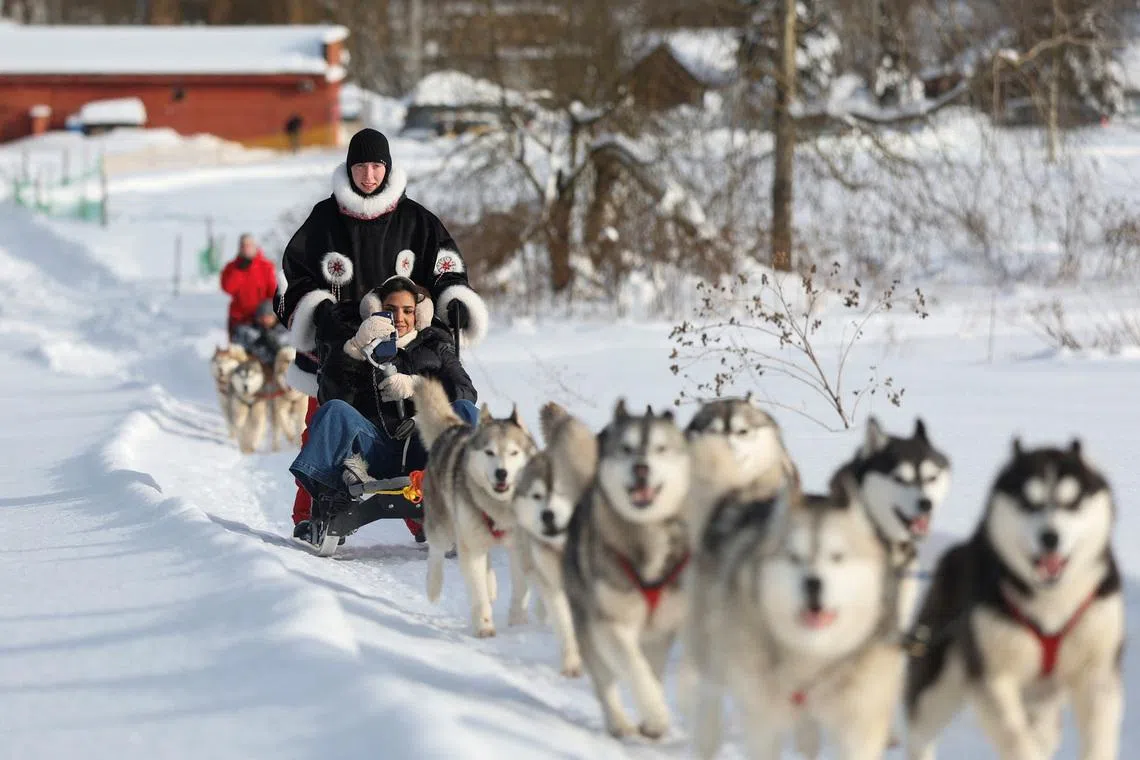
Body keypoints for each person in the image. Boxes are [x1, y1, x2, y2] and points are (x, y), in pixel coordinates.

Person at [278, 127, 489, 535]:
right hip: (339, 347)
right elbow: (295, 274)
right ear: (350, 169)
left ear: (388, 168)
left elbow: (445, 265)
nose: (369, 176)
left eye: (376, 166)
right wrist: (322, 314)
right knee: (323, 423)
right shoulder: (324, 220)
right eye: (361, 167)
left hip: (409, 346)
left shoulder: (415, 220)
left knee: (418, 426)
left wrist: (453, 298)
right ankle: (311, 511)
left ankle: (426, 516)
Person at [289, 276, 479, 543]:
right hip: (374, 449)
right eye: (391, 310)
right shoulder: (363, 343)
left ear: (419, 314)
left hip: (424, 449)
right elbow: (331, 395)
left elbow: (466, 392)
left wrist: (420, 387)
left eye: (408, 311)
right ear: (377, 310)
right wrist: (354, 350)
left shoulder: (435, 344)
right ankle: (330, 508)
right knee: (332, 411)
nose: (400, 318)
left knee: (464, 411)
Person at [220, 234, 278, 337]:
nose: (246, 248)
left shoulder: (266, 266)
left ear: (255, 247)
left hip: (262, 318)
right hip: (240, 319)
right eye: (243, 246)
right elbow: (227, 288)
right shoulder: (231, 267)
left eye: (249, 245)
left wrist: (270, 314)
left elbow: (273, 292)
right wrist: (239, 270)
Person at [231, 300, 289, 367]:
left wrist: (271, 340)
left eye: (268, 316)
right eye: (262, 317)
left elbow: (287, 349)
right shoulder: (250, 331)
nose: (265, 320)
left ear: (275, 317)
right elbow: (237, 345)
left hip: (278, 368)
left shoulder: (284, 331)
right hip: (254, 368)